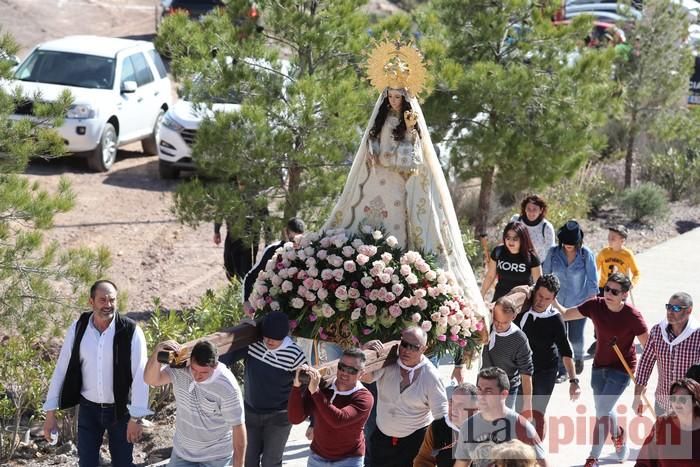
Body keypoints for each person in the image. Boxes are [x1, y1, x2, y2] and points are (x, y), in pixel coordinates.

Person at [323, 40, 488, 332]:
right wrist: (374, 151)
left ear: (406, 96)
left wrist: (388, 156)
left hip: (397, 186)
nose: (395, 99)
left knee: (395, 230)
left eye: (399, 95)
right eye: (391, 94)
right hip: (375, 182)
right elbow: (370, 142)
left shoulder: (411, 122)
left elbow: (412, 160)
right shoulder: (381, 117)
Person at [42, 280, 151, 467]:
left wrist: (136, 418)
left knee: (123, 463)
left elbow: (141, 376)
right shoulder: (78, 328)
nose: (108, 305)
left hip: (121, 412)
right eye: (102, 300)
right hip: (88, 410)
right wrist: (50, 414)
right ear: (91, 301)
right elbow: (61, 369)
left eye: (112, 300)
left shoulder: (131, 332)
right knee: (86, 463)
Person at [555, 272, 649, 467]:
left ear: (624, 294)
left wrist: (642, 383)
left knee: (603, 411)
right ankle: (618, 435)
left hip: (622, 369)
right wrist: (552, 299)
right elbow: (565, 314)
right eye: (606, 288)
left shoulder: (632, 316)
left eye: (614, 291)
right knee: (604, 411)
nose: (608, 293)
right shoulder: (595, 306)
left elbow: (649, 348)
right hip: (599, 366)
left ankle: (593, 457)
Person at [220, 311, 307, 467]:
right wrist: (243, 329)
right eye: (266, 336)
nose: (269, 341)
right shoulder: (253, 343)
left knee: (271, 462)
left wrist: (309, 419)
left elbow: (305, 388)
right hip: (250, 413)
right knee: (248, 460)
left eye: (274, 338)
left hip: (279, 417)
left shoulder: (296, 355)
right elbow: (225, 358)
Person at [144, 339, 246, 467]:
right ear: (190, 361)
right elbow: (150, 379)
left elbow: (238, 427)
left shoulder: (227, 386)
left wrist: (239, 465)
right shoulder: (180, 369)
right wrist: (157, 352)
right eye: (194, 370)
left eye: (203, 372)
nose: (197, 376)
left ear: (215, 366)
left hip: (216, 458)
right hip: (183, 453)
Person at [361, 326, 448, 467]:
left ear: (424, 349)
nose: (407, 350)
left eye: (414, 347)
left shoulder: (431, 376)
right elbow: (365, 377)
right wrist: (363, 353)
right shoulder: (388, 361)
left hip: (414, 443)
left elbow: (441, 415)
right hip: (382, 438)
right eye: (404, 344)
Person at [508, 275, 581, 439]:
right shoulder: (521, 311)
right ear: (534, 292)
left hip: (545, 371)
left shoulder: (555, 319)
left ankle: (536, 452)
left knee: (537, 413)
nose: (541, 302)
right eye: (540, 296)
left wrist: (573, 380)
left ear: (554, 299)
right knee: (519, 411)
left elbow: (566, 351)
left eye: (547, 298)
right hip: (521, 370)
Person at [288, 348, 374, 466]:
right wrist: (296, 386)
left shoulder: (364, 398)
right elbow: (295, 418)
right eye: (341, 367)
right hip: (317, 457)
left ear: (362, 373)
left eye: (352, 370)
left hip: (349, 460)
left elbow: (338, 420)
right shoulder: (322, 387)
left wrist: (316, 392)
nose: (345, 372)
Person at [453, 367, 547, 467]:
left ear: (504, 394)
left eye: (488, 391)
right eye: (479, 389)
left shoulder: (521, 426)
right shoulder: (468, 426)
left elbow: (543, 464)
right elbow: (461, 464)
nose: (481, 395)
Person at [542, 220, 598, 378]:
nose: (568, 245)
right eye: (565, 242)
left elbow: (593, 281)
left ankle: (578, 357)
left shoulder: (586, 254)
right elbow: (545, 276)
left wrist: (591, 303)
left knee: (575, 336)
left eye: (572, 242)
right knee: (560, 337)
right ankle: (562, 369)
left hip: (579, 303)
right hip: (556, 303)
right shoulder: (553, 253)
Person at [634, 292, 700, 416]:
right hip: (663, 402)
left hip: (690, 406)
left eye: (676, 308)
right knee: (663, 435)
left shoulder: (697, 334)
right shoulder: (657, 331)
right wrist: (637, 396)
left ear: (689, 311)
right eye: (668, 307)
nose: (670, 312)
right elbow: (646, 361)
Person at [591, 224, 640, 355]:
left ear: (622, 240)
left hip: (620, 290)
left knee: (616, 315)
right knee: (599, 314)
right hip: (603, 288)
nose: (610, 239)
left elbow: (636, 272)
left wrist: (632, 284)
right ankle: (599, 339)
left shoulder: (627, 254)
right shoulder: (604, 252)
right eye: (609, 236)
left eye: (614, 237)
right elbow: (593, 268)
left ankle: (615, 339)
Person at [481, 297, 533, 414]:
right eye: (496, 320)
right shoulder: (486, 326)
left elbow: (526, 372)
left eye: (504, 322)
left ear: (513, 317)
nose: (498, 326)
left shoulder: (520, 340)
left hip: (507, 388)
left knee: (503, 423)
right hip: (483, 385)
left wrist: (527, 404)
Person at [635, 378, 700, 466]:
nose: (677, 403)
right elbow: (645, 460)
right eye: (673, 399)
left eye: (682, 399)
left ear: (695, 402)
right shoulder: (662, 423)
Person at [413, 383, 478, 467]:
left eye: (460, 405)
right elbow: (424, 459)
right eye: (451, 402)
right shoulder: (438, 426)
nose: (453, 409)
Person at [243, 217, 305, 303]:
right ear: (285, 233)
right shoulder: (272, 249)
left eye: (298, 239)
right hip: (273, 302)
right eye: (292, 239)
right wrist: (246, 301)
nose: (295, 243)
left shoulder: (307, 252)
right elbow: (251, 276)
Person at [481, 221, 542, 302]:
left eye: (515, 238)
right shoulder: (498, 252)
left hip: (522, 305)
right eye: (508, 237)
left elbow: (539, 284)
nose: (511, 241)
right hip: (500, 301)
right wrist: (481, 296)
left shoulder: (531, 257)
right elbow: (490, 276)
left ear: (523, 239)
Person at [509, 195, 556, 263]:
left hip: (537, 264)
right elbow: (506, 239)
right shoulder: (516, 220)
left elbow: (550, 251)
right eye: (528, 209)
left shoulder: (546, 227)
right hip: (515, 261)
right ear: (524, 209)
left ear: (541, 210)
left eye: (535, 209)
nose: (531, 212)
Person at [214, 216, 260, 281]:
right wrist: (216, 230)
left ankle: (244, 287)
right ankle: (235, 286)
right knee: (229, 267)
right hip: (231, 233)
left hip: (248, 235)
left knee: (245, 270)